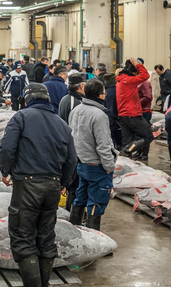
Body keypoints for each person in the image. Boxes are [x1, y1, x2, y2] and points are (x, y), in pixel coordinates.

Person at [0, 83, 77, 287]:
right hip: (52, 186)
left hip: (27, 185)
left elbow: (7, 147)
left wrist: (5, 170)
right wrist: (63, 183)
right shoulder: (62, 124)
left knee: (23, 238)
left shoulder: (21, 117)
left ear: (27, 100)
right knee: (45, 237)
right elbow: (71, 159)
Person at [68, 79, 118, 231]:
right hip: (97, 166)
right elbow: (103, 145)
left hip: (82, 163)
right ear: (100, 95)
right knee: (97, 202)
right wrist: (109, 167)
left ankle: (73, 231)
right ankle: (94, 238)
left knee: (80, 197)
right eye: (104, 93)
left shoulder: (76, 110)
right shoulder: (99, 115)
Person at [58, 73, 86, 212]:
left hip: (67, 146)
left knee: (72, 184)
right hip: (72, 148)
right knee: (75, 185)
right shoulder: (75, 103)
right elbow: (74, 128)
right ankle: (72, 214)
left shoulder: (65, 98)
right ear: (81, 86)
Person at [117, 59, 153, 160]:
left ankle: (126, 159)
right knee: (149, 135)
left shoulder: (120, 80)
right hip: (132, 114)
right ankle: (127, 151)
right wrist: (138, 65)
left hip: (123, 115)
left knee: (127, 141)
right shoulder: (128, 80)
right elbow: (145, 75)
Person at [104, 73, 122, 150]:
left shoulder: (105, 91)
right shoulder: (118, 90)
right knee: (119, 139)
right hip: (116, 118)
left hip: (108, 117)